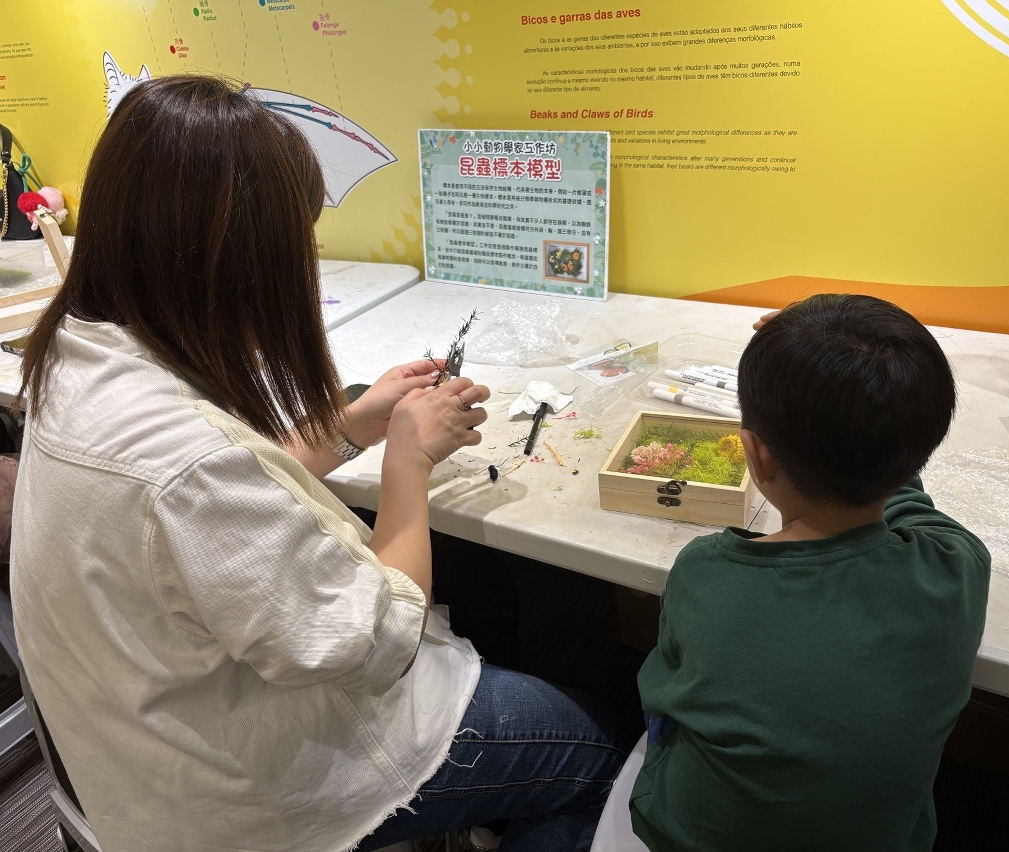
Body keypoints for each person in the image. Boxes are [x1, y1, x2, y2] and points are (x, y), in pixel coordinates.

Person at [11, 75, 625, 852]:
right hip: (251, 787)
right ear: (240, 261)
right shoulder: (183, 461)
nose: (308, 259)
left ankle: (481, 808)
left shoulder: (77, 352)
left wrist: (349, 429)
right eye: (299, 240)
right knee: (605, 752)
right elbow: (378, 640)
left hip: (146, 720)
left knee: (477, 581)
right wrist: (408, 461)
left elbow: (224, 504)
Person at [630, 295, 990, 851]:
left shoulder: (708, 572)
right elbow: (907, 494)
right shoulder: (959, 565)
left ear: (755, 454)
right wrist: (852, 393)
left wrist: (809, 369)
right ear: (922, 447)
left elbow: (661, 691)